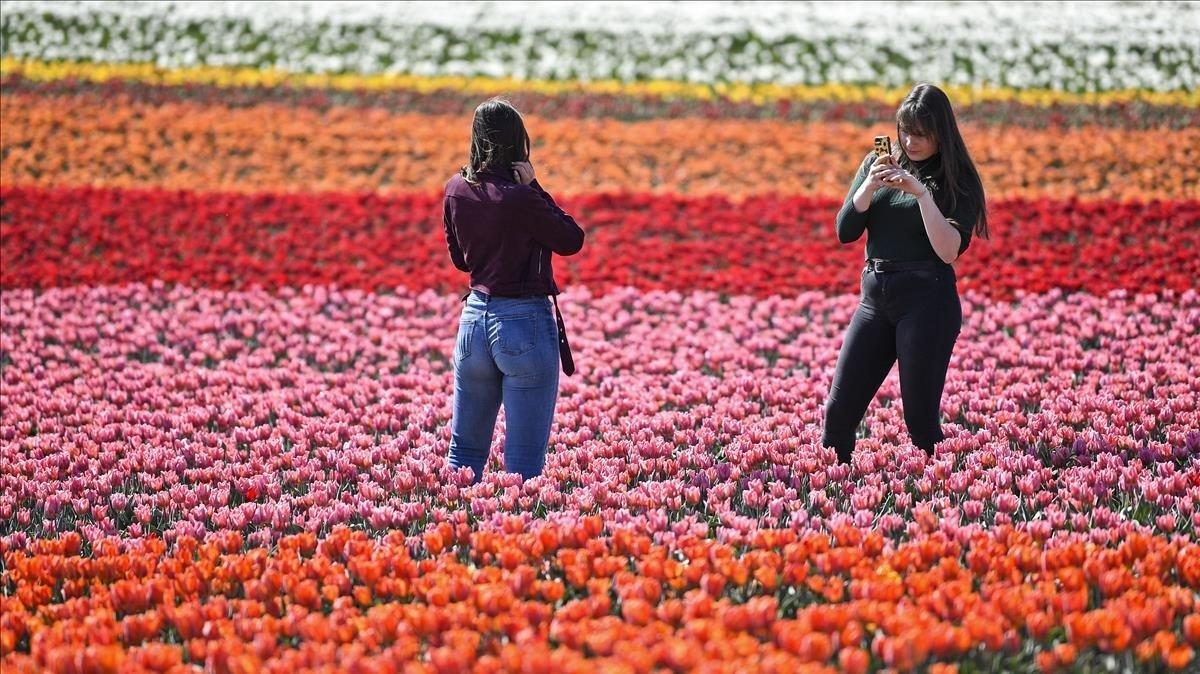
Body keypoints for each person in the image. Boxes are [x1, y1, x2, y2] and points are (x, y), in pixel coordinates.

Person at [821, 83, 989, 465]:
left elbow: (947, 250)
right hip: (876, 298)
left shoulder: (956, 179)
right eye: (905, 131)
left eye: (921, 134)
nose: (911, 142)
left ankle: (946, 500)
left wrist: (922, 195)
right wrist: (868, 185)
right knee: (838, 414)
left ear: (941, 134)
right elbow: (845, 232)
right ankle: (833, 497)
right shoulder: (878, 162)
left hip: (927, 301)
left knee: (919, 421)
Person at [443, 98, 585, 483]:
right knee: (522, 462)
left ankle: (455, 535)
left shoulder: (456, 189)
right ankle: (512, 539)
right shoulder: (522, 198)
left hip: (473, 321)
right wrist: (535, 185)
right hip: (523, 322)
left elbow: (461, 260)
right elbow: (571, 239)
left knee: (464, 454)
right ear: (516, 144)